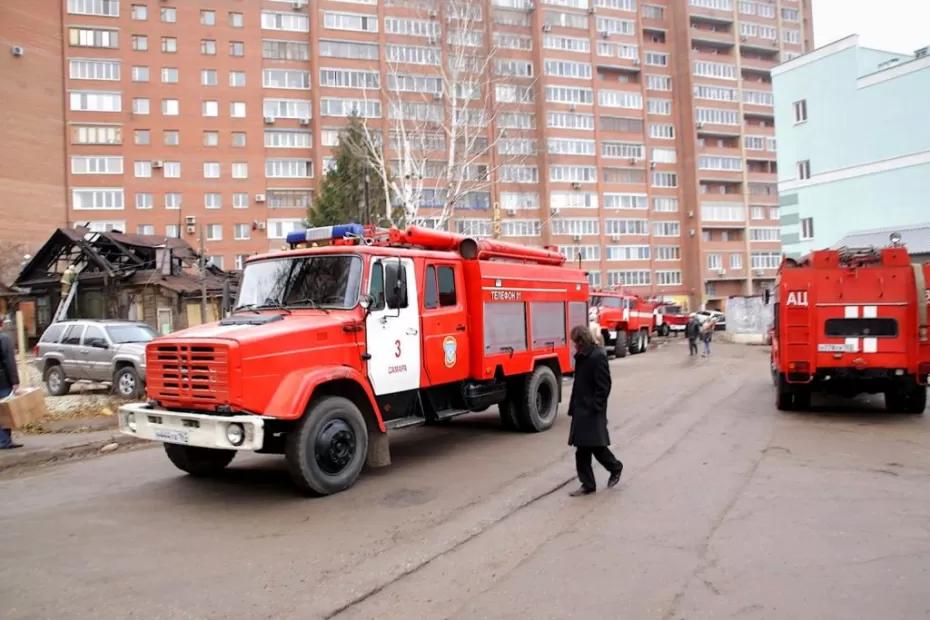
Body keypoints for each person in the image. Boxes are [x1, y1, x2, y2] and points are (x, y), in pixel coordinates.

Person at [567, 325, 623, 497]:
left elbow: (604, 385)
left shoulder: (597, 356)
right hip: (581, 409)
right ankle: (588, 484)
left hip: (591, 410)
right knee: (584, 449)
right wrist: (574, 406)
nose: (574, 346)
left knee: (595, 447)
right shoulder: (583, 356)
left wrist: (595, 407)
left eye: (575, 342)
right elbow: (579, 384)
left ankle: (614, 468)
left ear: (582, 341)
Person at [0, 331, 23, 449]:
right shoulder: (4, 339)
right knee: (5, 411)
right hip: (2, 381)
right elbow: (9, 362)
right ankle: (4, 441)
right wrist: (15, 381)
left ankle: (4, 440)